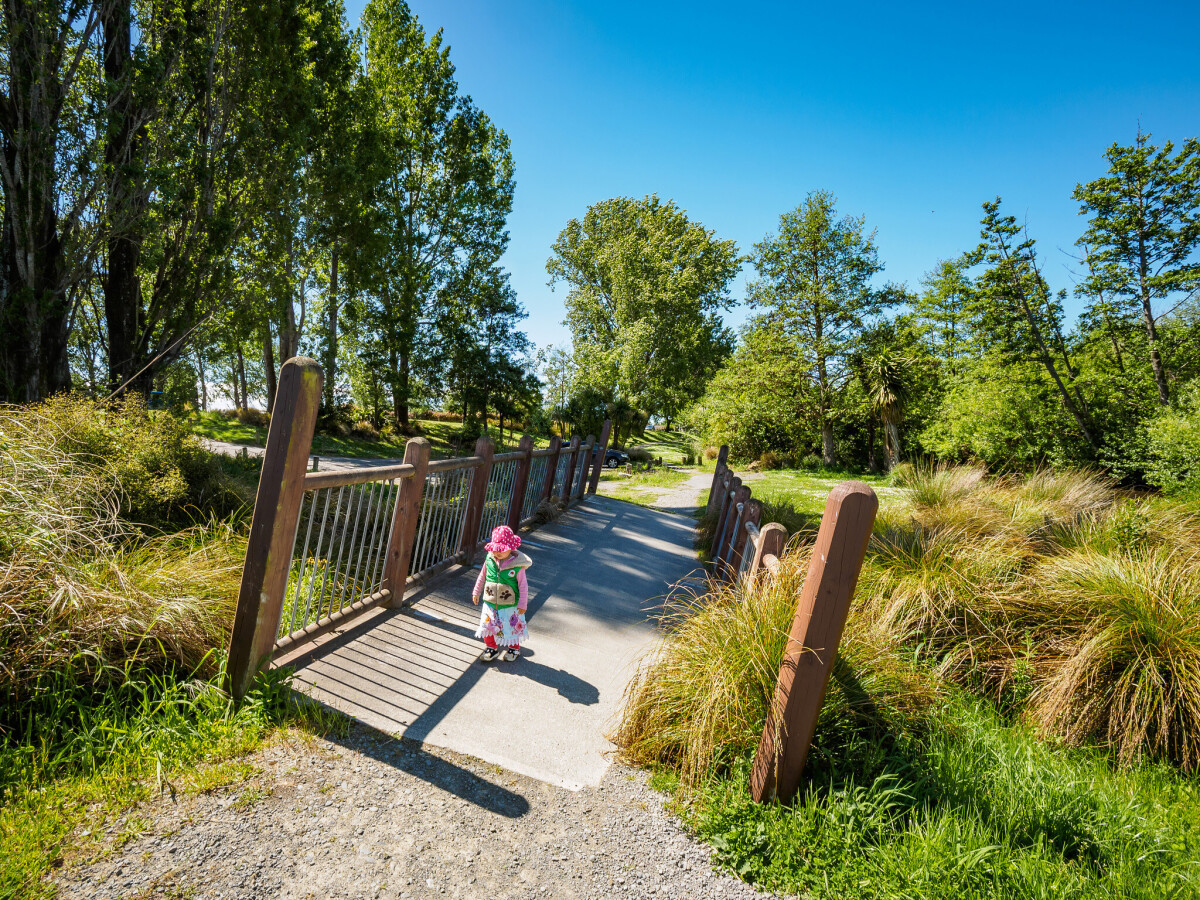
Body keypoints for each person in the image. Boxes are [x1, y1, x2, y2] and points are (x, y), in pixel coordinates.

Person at [472, 525, 532, 662]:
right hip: (490, 600)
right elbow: (482, 576)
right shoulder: (489, 560)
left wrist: (522, 603)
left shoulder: (518, 566)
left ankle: (514, 648)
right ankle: (491, 648)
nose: (497, 553)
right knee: (488, 625)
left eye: (501, 550)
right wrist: (476, 591)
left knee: (510, 627)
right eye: (495, 549)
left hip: (510, 604)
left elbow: (523, 586)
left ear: (511, 548)